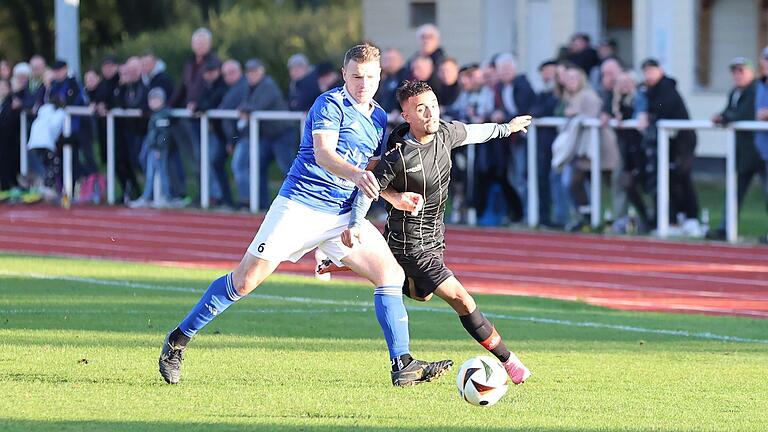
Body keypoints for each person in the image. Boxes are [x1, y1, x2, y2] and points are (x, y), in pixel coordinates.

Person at [158, 44, 453, 387]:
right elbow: (325, 154)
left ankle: (402, 364)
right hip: (300, 206)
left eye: (370, 77)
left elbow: (371, 170)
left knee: (390, 275)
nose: (363, 83)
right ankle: (177, 341)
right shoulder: (330, 104)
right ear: (345, 75)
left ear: (379, 78)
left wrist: (393, 195)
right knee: (244, 281)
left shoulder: (376, 117)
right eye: (356, 76)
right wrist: (357, 176)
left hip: (341, 214)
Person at [319, 80, 532, 384]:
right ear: (407, 116)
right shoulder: (398, 154)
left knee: (422, 295)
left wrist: (507, 128)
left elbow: (474, 132)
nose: (430, 112)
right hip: (409, 242)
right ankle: (511, 363)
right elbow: (368, 189)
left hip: (435, 240)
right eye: (421, 109)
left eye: (432, 104)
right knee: (461, 299)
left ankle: (355, 261)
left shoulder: (444, 132)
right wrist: (355, 224)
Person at [707, 57, 766, 240]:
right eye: (735, 71)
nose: (737, 75)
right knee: (734, 191)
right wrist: (721, 116)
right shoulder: (735, 92)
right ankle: (726, 228)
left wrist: (725, 118)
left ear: (752, 71)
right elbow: (730, 111)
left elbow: (747, 113)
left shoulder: (757, 89)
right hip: (742, 152)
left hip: (760, 150)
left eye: (742, 70)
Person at [129, 88, 173, 208]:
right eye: (151, 100)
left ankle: (166, 196)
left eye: (156, 99)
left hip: (158, 150)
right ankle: (147, 196)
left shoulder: (163, 115)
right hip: (153, 148)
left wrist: (159, 148)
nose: (152, 102)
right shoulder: (156, 115)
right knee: (150, 174)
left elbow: (164, 136)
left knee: (162, 173)